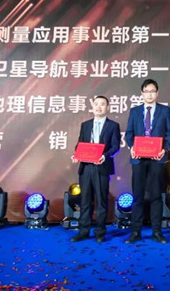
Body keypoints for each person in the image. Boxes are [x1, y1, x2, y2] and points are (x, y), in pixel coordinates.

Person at [124, 79, 170, 244]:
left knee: (156, 196)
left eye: (153, 91)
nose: (150, 94)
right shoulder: (134, 111)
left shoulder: (164, 110)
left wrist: (164, 149)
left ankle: (157, 232)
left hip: (157, 158)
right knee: (138, 196)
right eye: (147, 91)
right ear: (142, 93)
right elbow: (129, 134)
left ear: (157, 93)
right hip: (138, 159)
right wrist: (132, 147)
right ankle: (136, 232)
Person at [70, 95, 121, 243]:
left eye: (102, 104)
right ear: (92, 107)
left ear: (107, 107)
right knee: (85, 201)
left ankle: (100, 232)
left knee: (101, 201)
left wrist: (104, 156)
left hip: (102, 167)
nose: (99, 107)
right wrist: (76, 155)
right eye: (96, 104)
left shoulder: (113, 126)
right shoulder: (85, 125)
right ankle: (83, 231)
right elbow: (80, 144)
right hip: (86, 168)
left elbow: (115, 146)